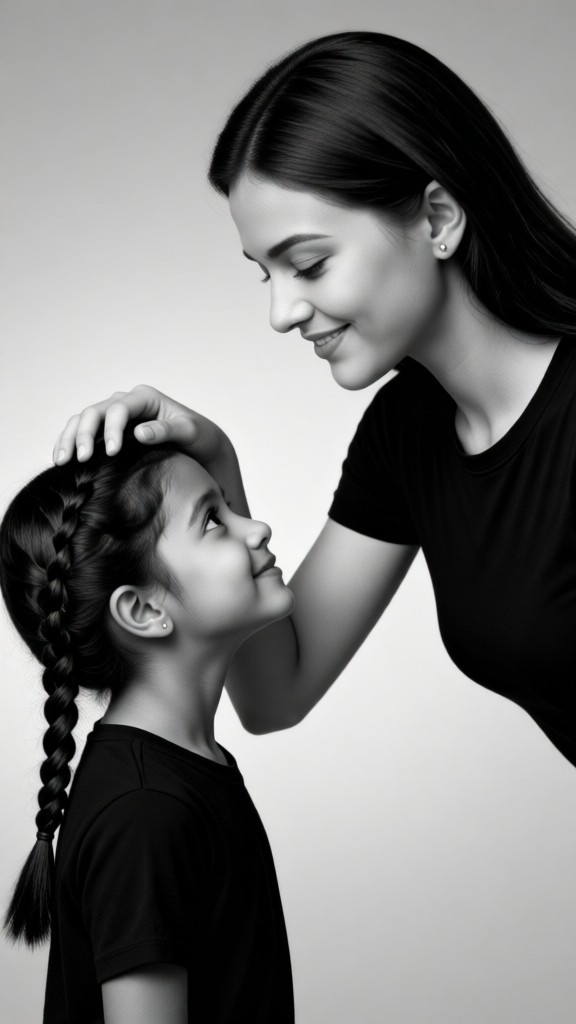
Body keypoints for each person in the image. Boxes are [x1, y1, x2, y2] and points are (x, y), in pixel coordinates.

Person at [53, 31, 576, 766]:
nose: (282, 312)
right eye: (264, 273)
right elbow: (277, 694)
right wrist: (216, 465)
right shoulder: (408, 431)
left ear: (437, 219)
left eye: (309, 263)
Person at [0, 438, 295, 1023]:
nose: (257, 527)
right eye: (213, 520)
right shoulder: (144, 813)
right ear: (142, 611)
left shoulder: (182, 770)